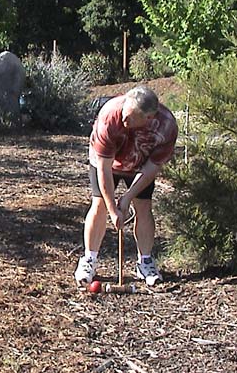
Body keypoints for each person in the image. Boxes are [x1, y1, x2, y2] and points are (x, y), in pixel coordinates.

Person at [74, 85, 178, 286]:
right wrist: (114, 209)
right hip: (106, 163)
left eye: (129, 118)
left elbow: (151, 168)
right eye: (124, 113)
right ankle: (89, 259)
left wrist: (128, 196)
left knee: (143, 206)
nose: (123, 120)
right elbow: (103, 169)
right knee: (100, 205)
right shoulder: (110, 116)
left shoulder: (166, 127)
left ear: (148, 118)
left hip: (140, 165)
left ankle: (145, 262)